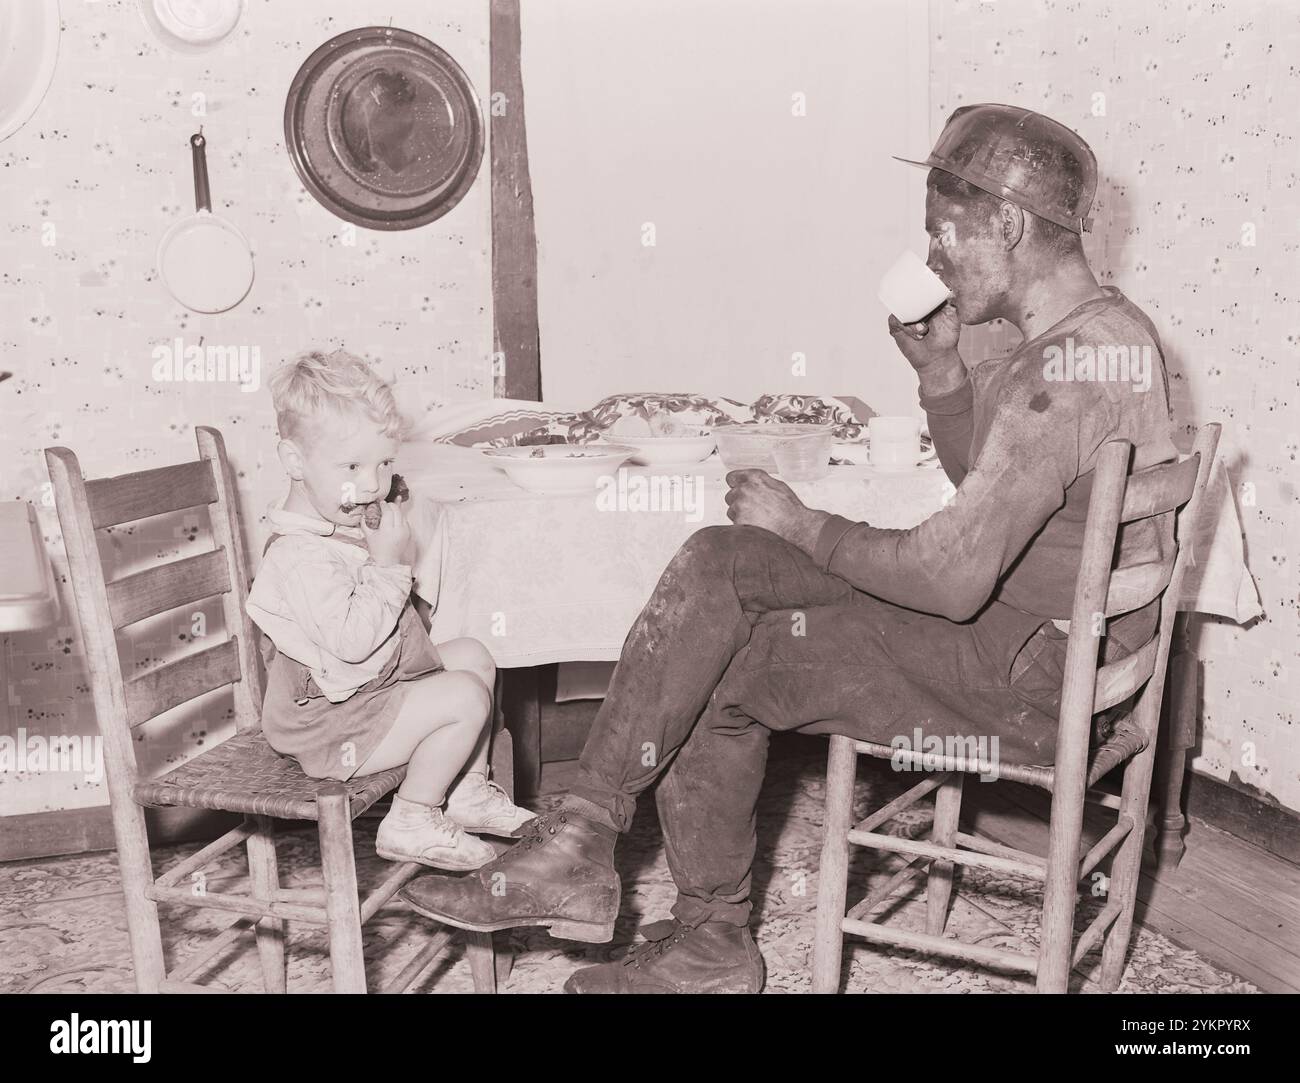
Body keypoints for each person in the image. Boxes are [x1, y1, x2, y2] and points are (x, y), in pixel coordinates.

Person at [401, 104, 1179, 992]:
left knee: (725, 667)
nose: (932, 258)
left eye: (943, 232)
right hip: (1035, 640)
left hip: (1024, 678)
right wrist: (941, 376)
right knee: (725, 556)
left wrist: (806, 524)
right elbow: (1005, 506)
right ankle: (586, 838)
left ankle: (703, 938)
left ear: (1006, 221)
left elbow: (953, 577)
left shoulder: (1056, 370)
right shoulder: (1108, 338)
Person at [247, 349, 533, 871]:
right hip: (329, 726)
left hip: (365, 693)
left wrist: (382, 550)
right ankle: (411, 818)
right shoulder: (297, 556)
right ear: (293, 461)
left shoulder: (333, 526)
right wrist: (387, 568)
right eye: (352, 466)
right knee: (465, 697)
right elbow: (355, 642)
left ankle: (465, 791)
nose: (373, 484)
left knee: (474, 655)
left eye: (382, 464)